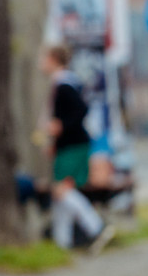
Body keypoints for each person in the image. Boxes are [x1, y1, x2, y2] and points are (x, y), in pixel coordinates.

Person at [39, 45, 114, 253]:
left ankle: (96, 227)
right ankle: (62, 243)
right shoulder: (65, 82)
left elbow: (81, 109)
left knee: (62, 190)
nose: (41, 63)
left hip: (73, 145)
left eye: (43, 58)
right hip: (67, 145)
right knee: (61, 194)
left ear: (53, 59)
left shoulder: (64, 85)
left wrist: (61, 126)